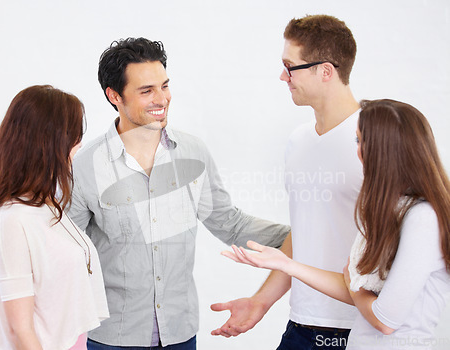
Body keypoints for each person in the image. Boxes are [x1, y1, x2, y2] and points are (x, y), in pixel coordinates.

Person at [67, 37, 290, 350]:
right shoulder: (86, 166)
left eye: (164, 86)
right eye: (146, 91)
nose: (162, 99)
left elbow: (228, 222)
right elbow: (67, 251)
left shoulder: (192, 152)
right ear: (114, 95)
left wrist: (300, 238)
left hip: (180, 334)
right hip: (114, 337)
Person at [224, 99, 450, 349]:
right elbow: (359, 292)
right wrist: (286, 264)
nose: (358, 152)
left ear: (383, 150)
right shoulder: (394, 210)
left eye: (359, 141)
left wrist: (354, 286)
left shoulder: (424, 218)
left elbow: (384, 319)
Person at [211, 14, 363, 349]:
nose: (283, 76)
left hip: (358, 330)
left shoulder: (376, 137)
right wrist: (260, 302)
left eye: (289, 66)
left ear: (325, 71)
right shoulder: (298, 141)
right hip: (301, 326)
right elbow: (305, 231)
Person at [0, 85, 109, 350]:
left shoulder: (47, 205)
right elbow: (20, 330)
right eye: (74, 137)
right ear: (50, 143)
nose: (78, 146)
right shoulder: (12, 220)